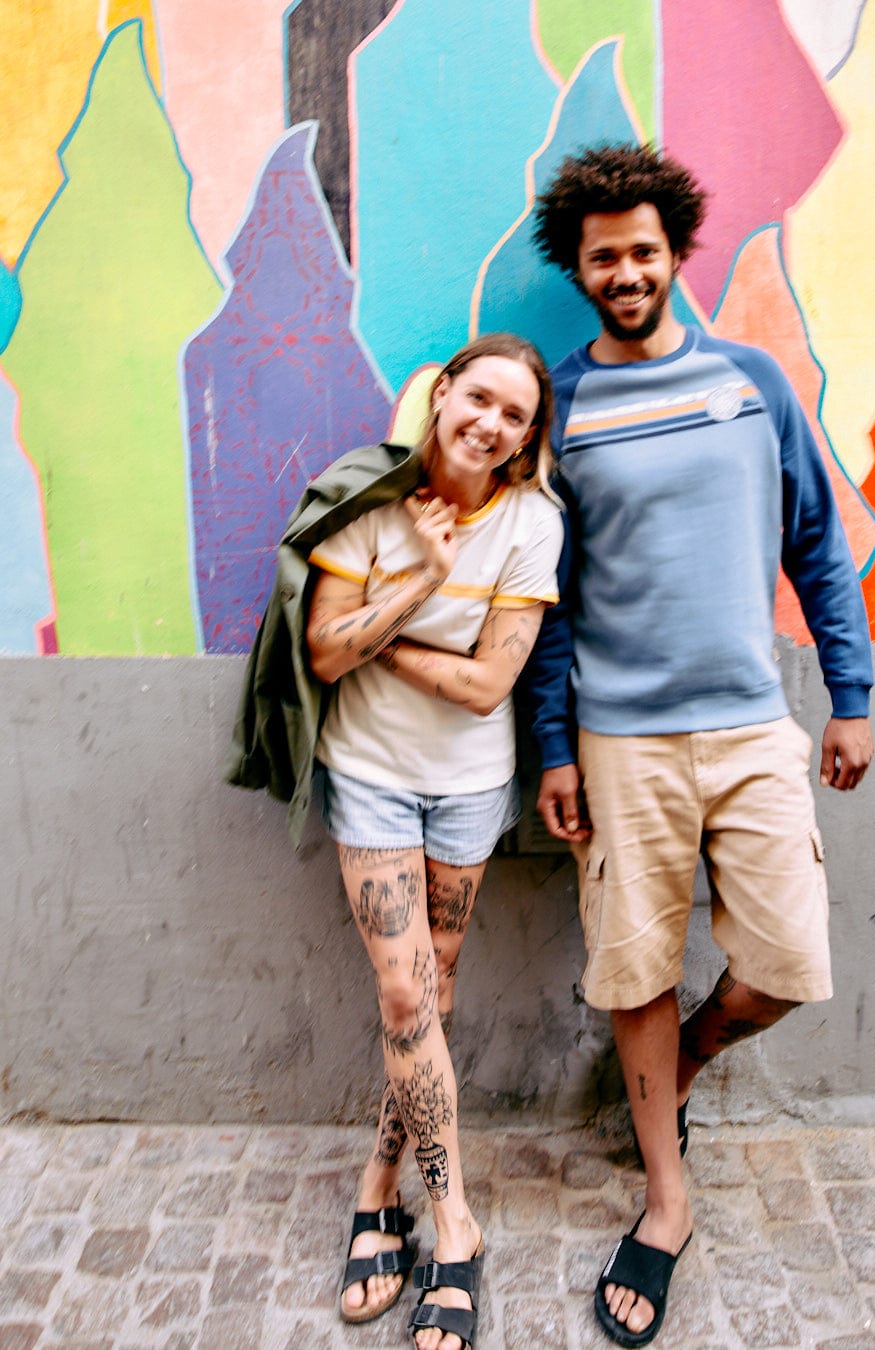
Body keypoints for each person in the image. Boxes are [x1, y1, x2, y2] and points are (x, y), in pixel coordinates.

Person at [527, 144, 875, 1347]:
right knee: (632, 970)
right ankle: (666, 1201)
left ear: (675, 252)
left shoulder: (750, 382)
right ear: (577, 269)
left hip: (749, 725)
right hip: (620, 742)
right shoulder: (559, 407)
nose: (624, 270)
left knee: (784, 964)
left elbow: (820, 545)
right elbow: (548, 599)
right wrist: (555, 748)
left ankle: (685, 1066)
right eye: (601, 256)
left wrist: (852, 693)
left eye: (641, 249)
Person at [305, 332, 563, 1350]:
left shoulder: (533, 523)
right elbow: (326, 654)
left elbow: (488, 684)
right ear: (443, 393)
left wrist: (384, 628)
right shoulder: (364, 502)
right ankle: (454, 1228)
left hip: (467, 790)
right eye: (479, 398)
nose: (490, 423)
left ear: (527, 436)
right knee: (408, 993)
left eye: (515, 415)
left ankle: (379, 1187)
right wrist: (418, 576)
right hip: (369, 779)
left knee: (435, 990)